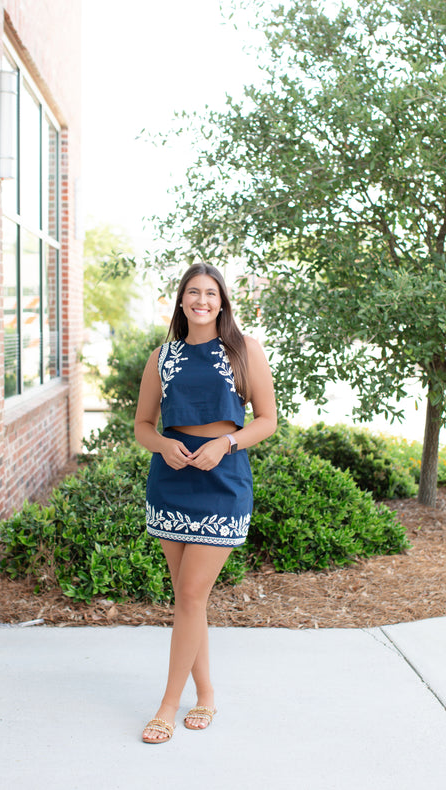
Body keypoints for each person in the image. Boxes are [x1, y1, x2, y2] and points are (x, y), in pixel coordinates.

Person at [134, 262, 277, 744]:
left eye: (210, 293)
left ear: (222, 302)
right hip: (171, 484)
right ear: (181, 301)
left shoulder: (243, 351)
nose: (201, 300)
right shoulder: (162, 357)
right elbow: (142, 425)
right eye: (193, 292)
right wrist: (161, 446)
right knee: (188, 601)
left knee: (192, 595)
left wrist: (225, 444)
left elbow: (267, 420)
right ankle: (207, 694)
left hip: (224, 483)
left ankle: (167, 706)